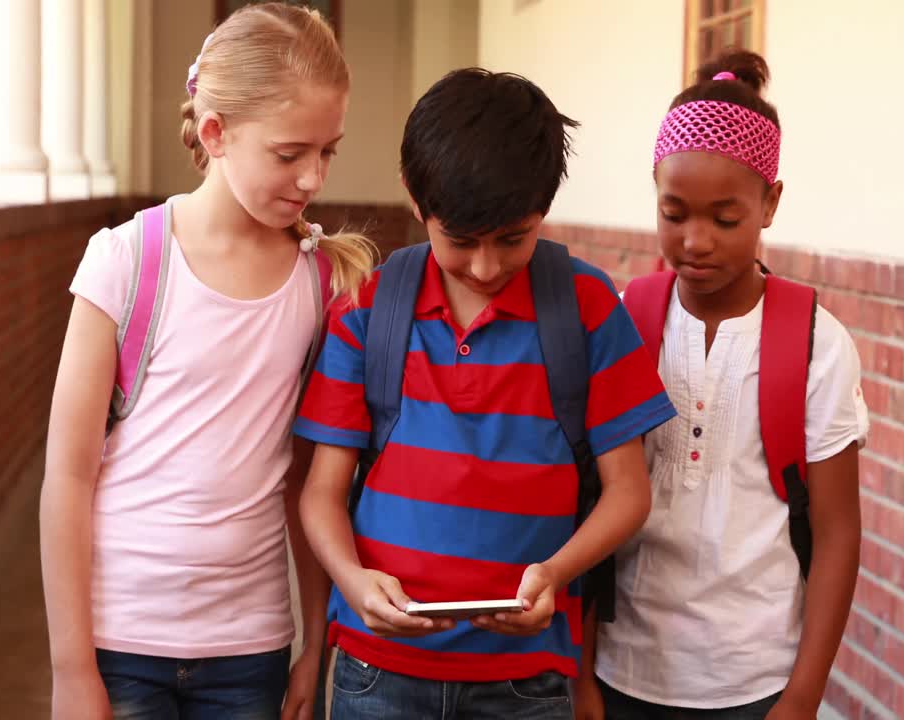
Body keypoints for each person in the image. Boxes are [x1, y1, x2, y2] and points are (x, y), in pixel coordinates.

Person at [294, 68, 676, 719]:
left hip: (526, 683)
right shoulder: (368, 308)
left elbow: (629, 491)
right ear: (415, 199)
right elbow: (321, 493)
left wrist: (555, 574)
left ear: (545, 207)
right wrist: (353, 584)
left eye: (513, 239)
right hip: (377, 674)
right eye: (460, 240)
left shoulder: (585, 311)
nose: (486, 266)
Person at [39, 4, 374, 718]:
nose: (313, 176)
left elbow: (304, 483)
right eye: (290, 154)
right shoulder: (125, 261)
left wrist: (316, 641)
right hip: (120, 641)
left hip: (249, 649)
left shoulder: (320, 283)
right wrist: (72, 669)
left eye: (328, 152)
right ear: (216, 133)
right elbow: (68, 476)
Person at [578, 50, 869, 720]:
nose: (695, 240)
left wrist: (802, 696)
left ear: (770, 202)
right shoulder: (626, 321)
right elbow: (590, 499)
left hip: (755, 681)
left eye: (725, 218)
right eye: (674, 212)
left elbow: (837, 532)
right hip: (625, 670)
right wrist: (581, 674)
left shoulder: (817, 343)